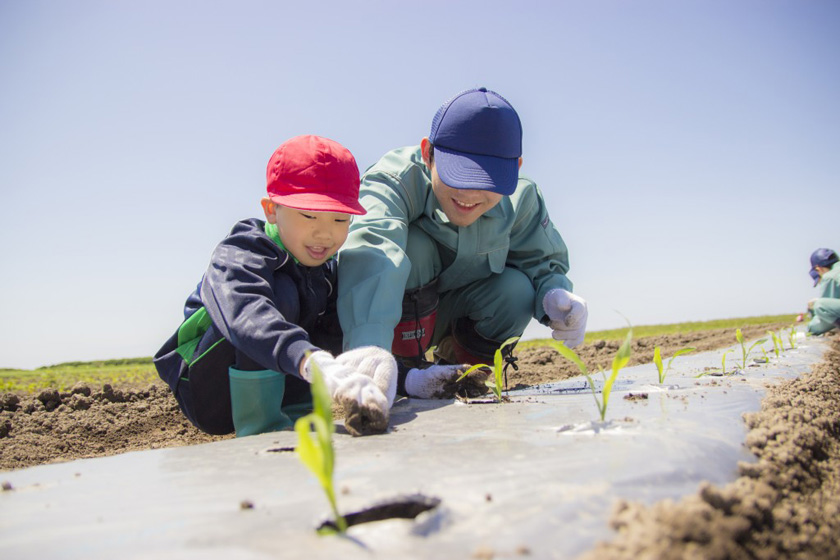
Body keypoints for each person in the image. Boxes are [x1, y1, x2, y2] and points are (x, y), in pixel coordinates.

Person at [337, 87, 587, 399]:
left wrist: (554, 293)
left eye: (488, 179)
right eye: (458, 174)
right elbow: (372, 252)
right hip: (391, 320)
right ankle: (400, 371)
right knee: (414, 247)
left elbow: (539, 263)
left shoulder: (522, 200)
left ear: (515, 167)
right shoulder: (396, 180)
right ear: (428, 153)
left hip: (455, 313)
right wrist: (369, 351)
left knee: (517, 291)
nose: (469, 194)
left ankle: (465, 378)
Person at [154, 135, 397, 438]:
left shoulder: (324, 271)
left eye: (339, 219)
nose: (325, 233)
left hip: (289, 374)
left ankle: (297, 416)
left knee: (338, 306)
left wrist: (399, 370)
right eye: (309, 215)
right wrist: (312, 361)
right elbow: (246, 314)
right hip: (208, 391)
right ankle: (262, 429)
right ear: (271, 210)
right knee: (282, 296)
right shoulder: (243, 251)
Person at [801, 248, 840, 336]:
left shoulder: (830, 277)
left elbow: (823, 322)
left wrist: (810, 329)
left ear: (818, 269)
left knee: (820, 305)